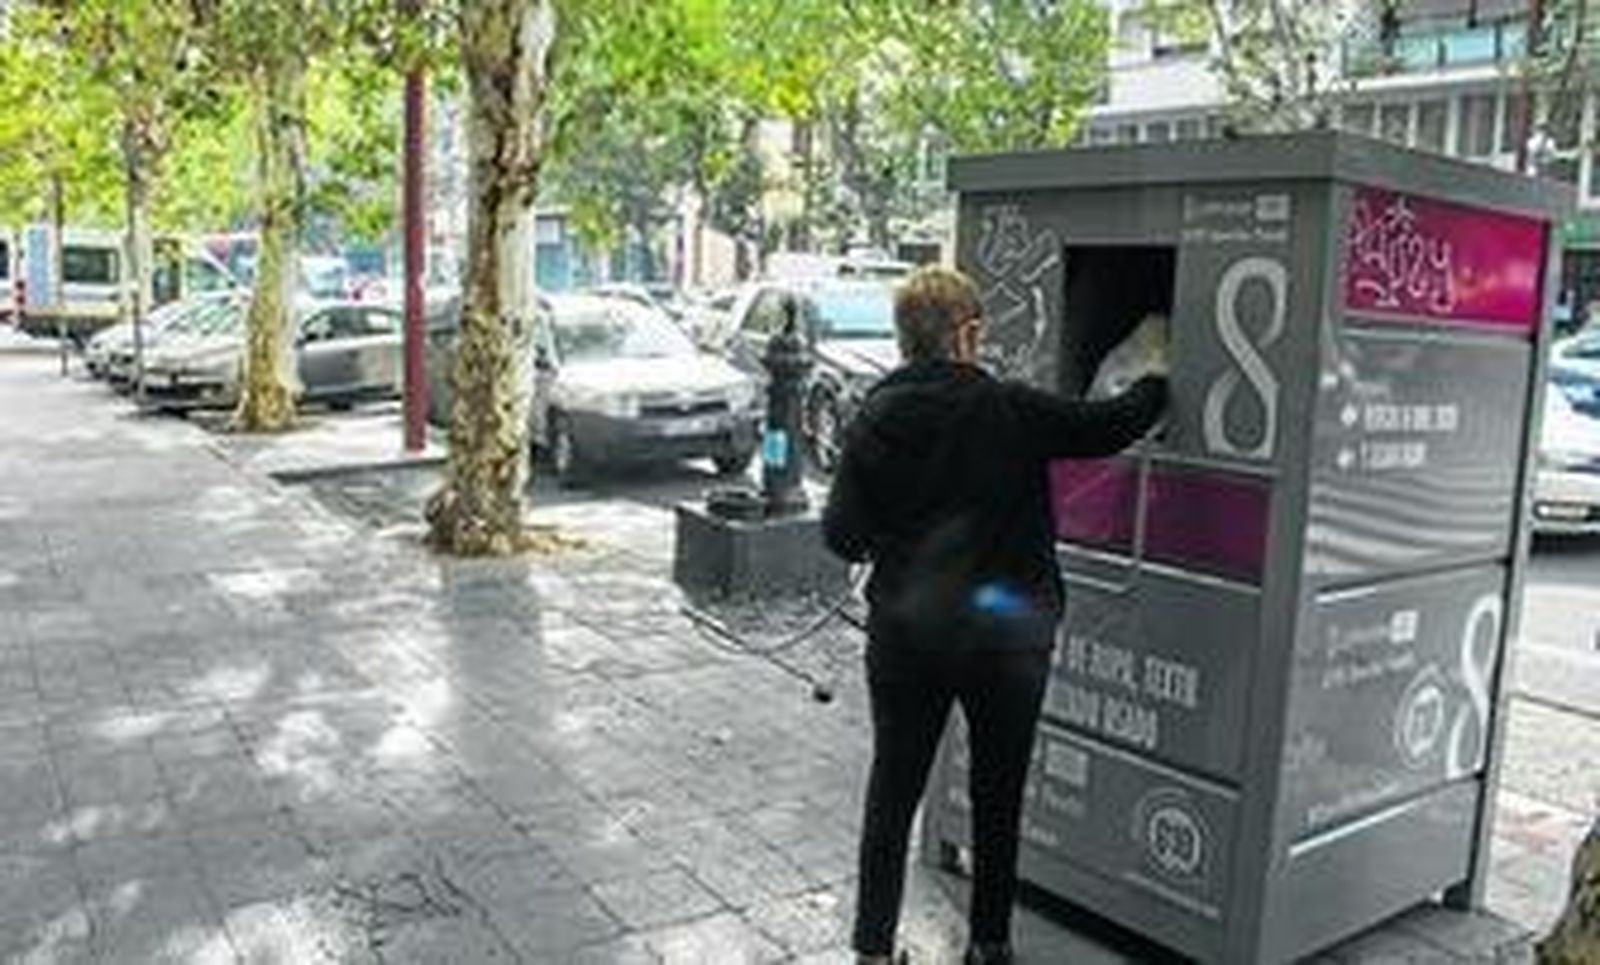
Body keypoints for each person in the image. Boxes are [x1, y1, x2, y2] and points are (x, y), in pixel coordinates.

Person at [823, 266, 1168, 965]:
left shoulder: (873, 416)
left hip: (906, 638)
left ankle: (872, 949)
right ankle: (989, 944)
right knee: (998, 795)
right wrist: (1157, 371)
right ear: (967, 334)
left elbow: (841, 535)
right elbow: (1112, 425)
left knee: (893, 791)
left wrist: (893, 529)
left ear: (904, 339)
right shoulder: (1008, 408)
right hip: (1004, 644)